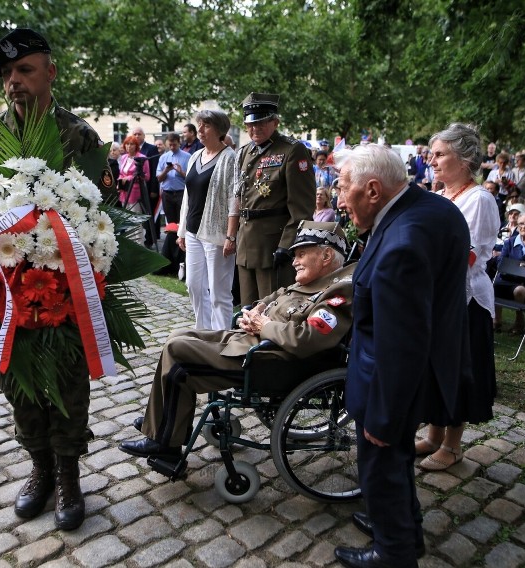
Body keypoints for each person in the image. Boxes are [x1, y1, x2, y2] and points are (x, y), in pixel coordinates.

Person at [0, 27, 107, 532]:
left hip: (66, 287)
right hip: (4, 293)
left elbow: (101, 215)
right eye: (6, 74)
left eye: (24, 69)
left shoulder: (80, 137)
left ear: (50, 71)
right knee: (16, 379)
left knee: (69, 381)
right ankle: (40, 468)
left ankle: (69, 474)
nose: (13, 82)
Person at [334, 144, 470, 568]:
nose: (338, 199)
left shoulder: (403, 243)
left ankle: (393, 552)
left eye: (342, 187)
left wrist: (385, 415)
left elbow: (402, 341)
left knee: (382, 464)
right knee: (394, 464)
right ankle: (401, 529)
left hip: (388, 381)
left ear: (372, 190)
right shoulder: (426, 207)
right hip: (415, 363)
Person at [119, 221, 355, 459]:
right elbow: (277, 296)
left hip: (271, 361)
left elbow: (306, 339)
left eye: (301, 254)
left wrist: (264, 324)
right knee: (177, 335)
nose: (294, 261)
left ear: (326, 255)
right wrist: (256, 310)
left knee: (178, 351)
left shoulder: (337, 292)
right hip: (254, 344)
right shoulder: (312, 281)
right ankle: (159, 423)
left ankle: (165, 445)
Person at [415, 123, 500, 473]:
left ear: (464, 159)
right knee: (437, 367)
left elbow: (470, 256)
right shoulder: (441, 196)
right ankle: (434, 434)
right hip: (439, 296)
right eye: (431, 154)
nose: (431, 161)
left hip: (465, 300)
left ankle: (453, 444)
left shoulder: (479, 199)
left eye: (439, 155)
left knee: (461, 368)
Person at [234, 92, 315, 304]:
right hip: (246, 243)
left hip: (273, 244)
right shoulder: (245, 152)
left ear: (275, 121)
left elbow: (302, 206)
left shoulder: (292, 150)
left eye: (261, 123)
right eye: (251, 124)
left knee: (272, 308)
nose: (255, 129)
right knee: (247, 308)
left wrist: (286, 245)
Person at [175, 110, 238, 331]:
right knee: (193, 285)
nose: (199, 130)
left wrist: (231, 235)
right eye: (199, 125)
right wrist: (182, 230)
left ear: (219, 130)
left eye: (205, 126)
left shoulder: (230, 158)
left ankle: (222, 337)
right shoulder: (195, 156)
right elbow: (187, 196)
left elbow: (234, 199)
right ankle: (203, 331)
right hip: (192, 231)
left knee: (219, 291)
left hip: (217, 234)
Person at [117, 134, 151, 245]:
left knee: (135, 219)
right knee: (126, 219)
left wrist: (129, 178)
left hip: (135, 192)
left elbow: (146, 176)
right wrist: (120, 179)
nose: (129, 146)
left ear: (136, 146)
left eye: (131, 144)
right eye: (127, 144)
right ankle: (131, 243)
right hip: (124, 191)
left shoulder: (142, 158)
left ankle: (139, 243)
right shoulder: (123, 157)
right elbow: (121, 173)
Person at [156, 132, 191, 224]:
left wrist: (181, 172)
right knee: (171, 223)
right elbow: (159, 179)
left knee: (182, 221)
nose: (172, 147)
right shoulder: (163, 157)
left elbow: (191, 179)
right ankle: (172, 238)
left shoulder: (188, 157)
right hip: (167, 194)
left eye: (174, 145)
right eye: (170, 145)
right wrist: (166, 170)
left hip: (181, 193)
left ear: (179, 143)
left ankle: (181, 238)